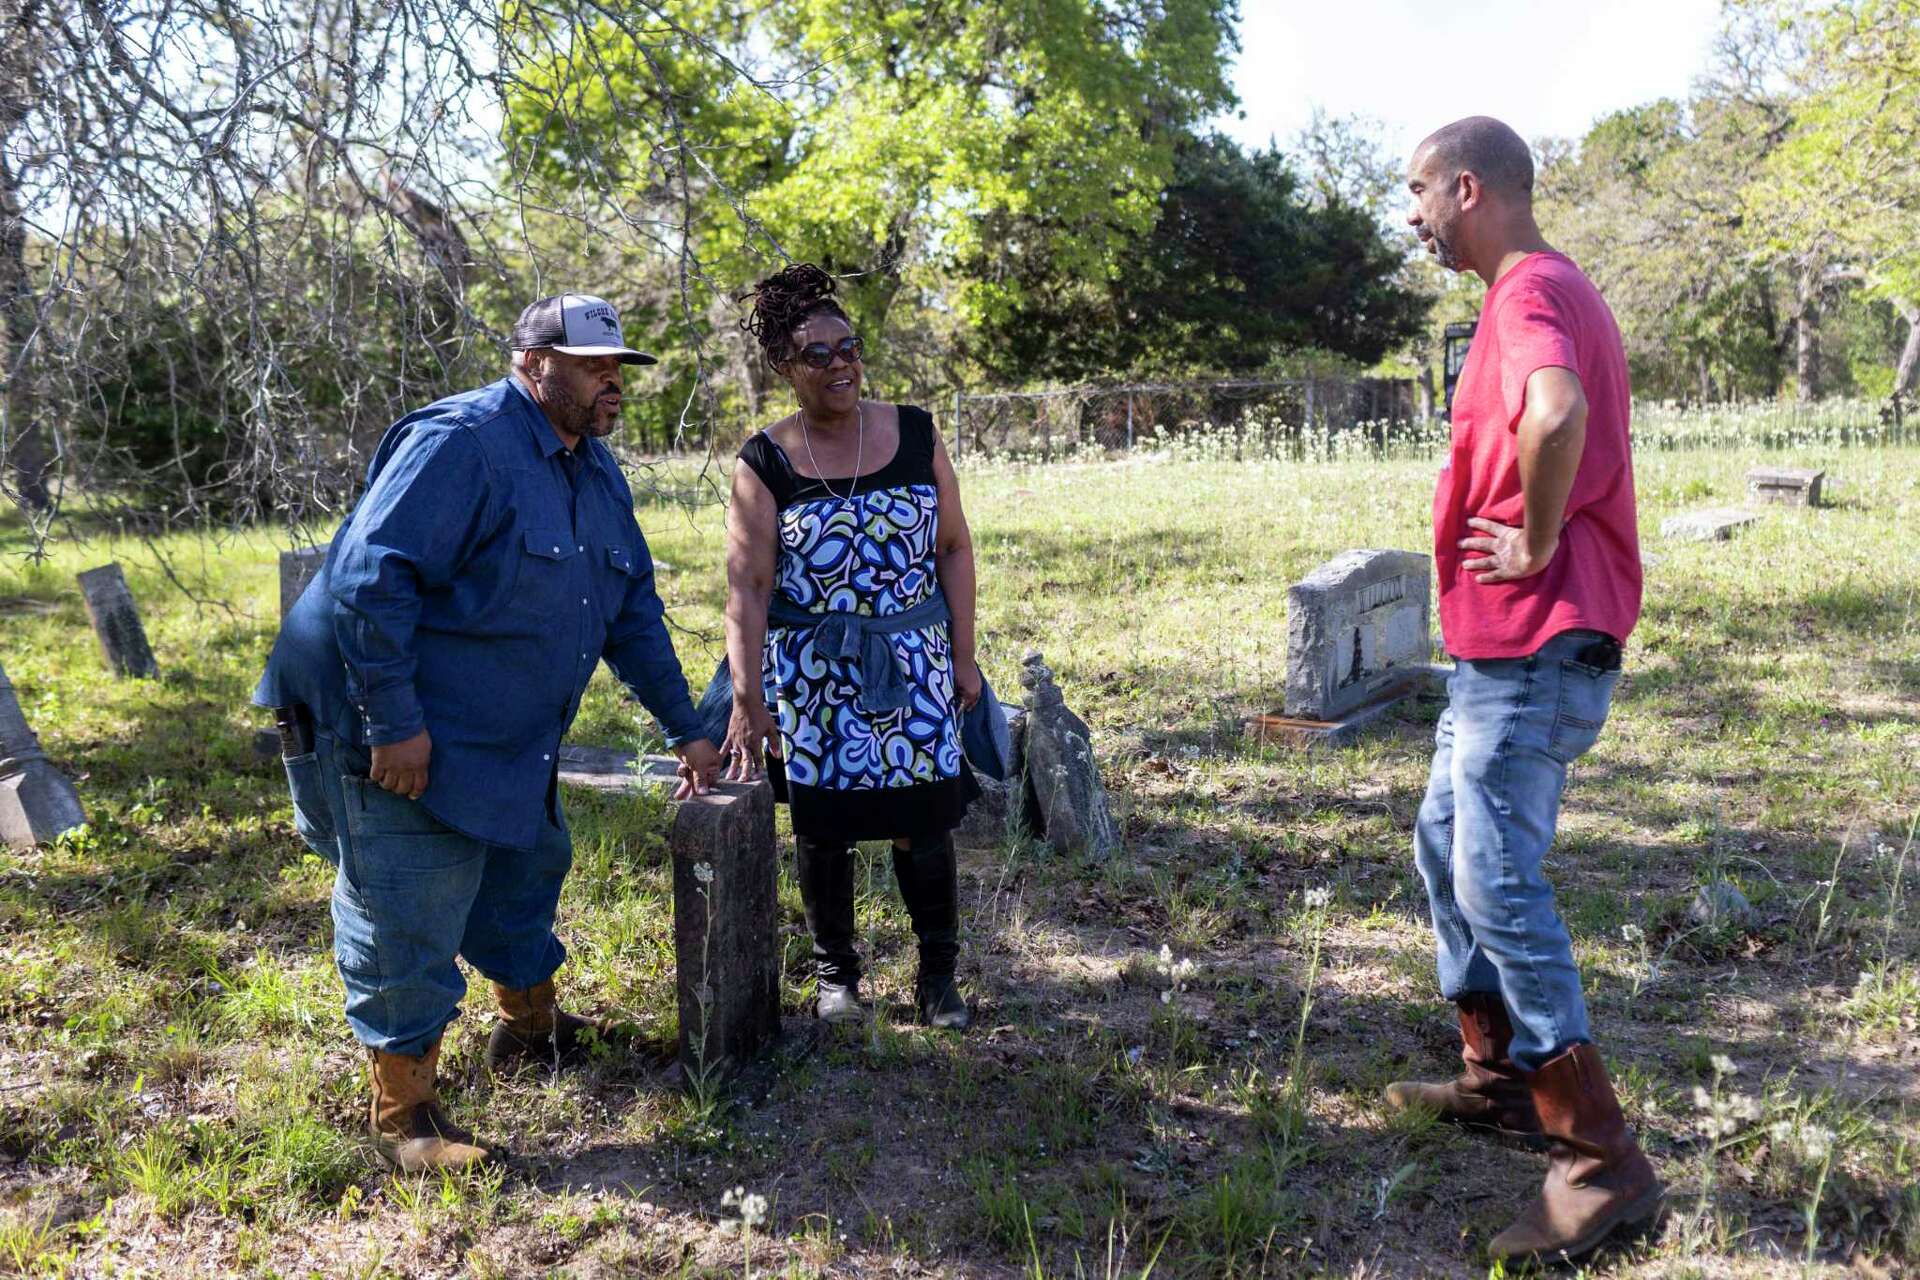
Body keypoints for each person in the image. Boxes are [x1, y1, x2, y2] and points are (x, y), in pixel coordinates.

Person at [254, 294, 723, 1172]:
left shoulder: (592, 466)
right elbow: (369, 580)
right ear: (536, 361)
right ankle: (405, 1120)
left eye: (619, 367)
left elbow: (631, 613)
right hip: (394, 723)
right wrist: (395, 725)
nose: (612, 382)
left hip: (506, 730)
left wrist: (689, 729)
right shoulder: (460, 443)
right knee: (408, 902)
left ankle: (531, 1028)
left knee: (526, 863)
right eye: (593, 367)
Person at [1382, 117, 1662, 1262]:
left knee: (1497, 875)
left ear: (1466, 186)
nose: (1411, 217)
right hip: (1502, 645)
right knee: (1443, 837)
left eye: (1416, 194)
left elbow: (1556, 410)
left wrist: (1540, 538)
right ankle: (1497, 1076)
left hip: (1541, 636)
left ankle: (1601, 1160)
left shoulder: (1532, 289)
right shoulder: (1527, 289)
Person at [720, 263, 981, 1031]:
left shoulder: (915, 432)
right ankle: (839, 978)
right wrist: (747, 698)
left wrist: (962, 656)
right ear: (783, 368)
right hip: (812, 675)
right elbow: (748, 589)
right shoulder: (763, 461)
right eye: (818, 354)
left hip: (913, 663)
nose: (840, 364)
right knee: (823, 829)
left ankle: (938, 977)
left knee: (923, 822)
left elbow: (956, 549)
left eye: (849, 347)